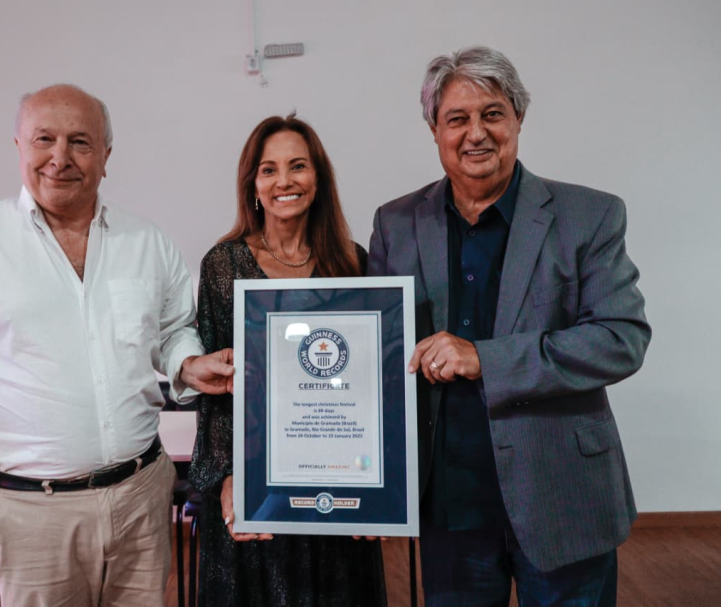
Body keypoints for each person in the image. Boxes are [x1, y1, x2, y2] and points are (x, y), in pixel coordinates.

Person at [0, 83, 234, 606]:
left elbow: (172, 331)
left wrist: (187, 363)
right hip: (30, 511)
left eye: (80, 142)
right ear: (18, 146)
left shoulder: (146, 241)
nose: (60, 158)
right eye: (44, 139)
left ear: (105, 156)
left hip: (141, 496)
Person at [368, 46, 651, 605]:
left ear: (519, 118)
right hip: (448, 503)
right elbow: (379, 351)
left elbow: (620, 339)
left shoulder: (589, 215)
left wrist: (484, 358)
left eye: (492, 113)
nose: (476, 133)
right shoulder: (395, 223)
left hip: (562, 495)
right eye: (457, 118)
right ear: (434, 129)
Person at [189, 114, 387, 606]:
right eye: (268, 169)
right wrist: (228, 476)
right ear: (253, 185)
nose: (284, 181)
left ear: (318, 179)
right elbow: (217, 390)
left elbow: (373, 385)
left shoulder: (354, 264)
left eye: (297, 166)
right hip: (256, 483)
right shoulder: (224, 265)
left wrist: (379, 488)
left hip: (338, 482)